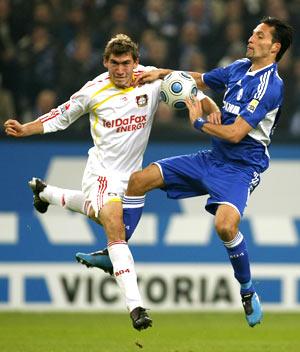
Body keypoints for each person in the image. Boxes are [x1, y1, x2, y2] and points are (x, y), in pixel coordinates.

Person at [76, 16, 294, 328]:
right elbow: (200, 79)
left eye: (259, 36)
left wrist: (199, 123)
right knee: (138, 181)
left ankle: (247, 290)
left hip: (241, 167)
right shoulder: (239, 68)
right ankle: (117, 251)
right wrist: (160, 74)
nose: (251, 38)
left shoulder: (271, 87)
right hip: (211, 157)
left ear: (274, 47)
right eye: (252, 33)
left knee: (225, 227)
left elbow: (235, 134)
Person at [4, 33, 219, 330]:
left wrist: (210, 106)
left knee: (97, 214)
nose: (120, 70)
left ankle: (45, 193)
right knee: (116, 229)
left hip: (132, 179)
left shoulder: (151, 80)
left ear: (136, 62)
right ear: (106, 62)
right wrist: (26, 128)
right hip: (102, 175)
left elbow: (186, 88)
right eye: (114, 63)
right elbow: (61, 116)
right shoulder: (94, 90)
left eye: (126, 63)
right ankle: (136, 308)